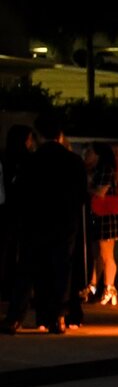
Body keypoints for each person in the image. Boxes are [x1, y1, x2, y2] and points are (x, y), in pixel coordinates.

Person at [17, 115, 90, 335]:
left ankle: (40, 315)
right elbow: (82, 195)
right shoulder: (74, 161)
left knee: (39, 268)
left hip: (37, 221)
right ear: (59, 135)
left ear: (38, 136)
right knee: (62, 267)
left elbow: (23, 193)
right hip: (66, 221)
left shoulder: (32, 161)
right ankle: (59, 315)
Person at [2, 124, 36, 330]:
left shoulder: (5, 159)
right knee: (25, 263)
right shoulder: (30, 161)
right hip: (26, 218)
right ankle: (17, 310)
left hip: (7, 215)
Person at [86, 145, 118, 307]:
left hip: (106, 216)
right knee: (100, 254)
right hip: (103, 215)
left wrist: (87, 186)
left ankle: (109, 287)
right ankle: (95, 286)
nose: (87, 155)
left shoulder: (105, 170)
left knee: (106, 254)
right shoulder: (100, 170)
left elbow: (100, 192)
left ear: (99, 155)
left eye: (90, 152)